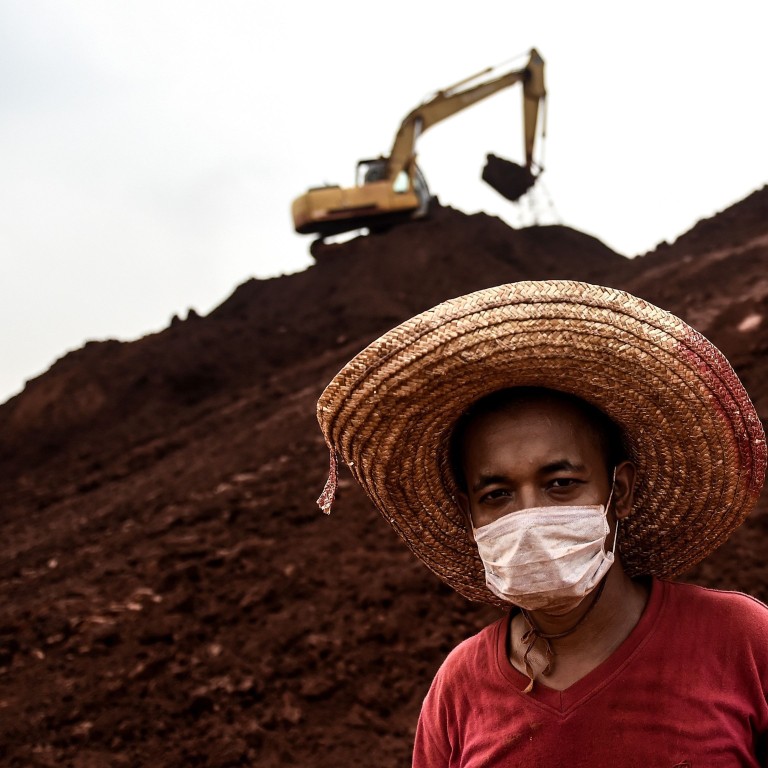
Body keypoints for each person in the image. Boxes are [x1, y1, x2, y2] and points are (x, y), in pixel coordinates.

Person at [315, 280, 768, 765]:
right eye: (498, 495)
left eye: (561, 484)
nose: (528, 518)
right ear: (471, 513)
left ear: (623, 491)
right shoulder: (457, 691)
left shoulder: (742, 641)